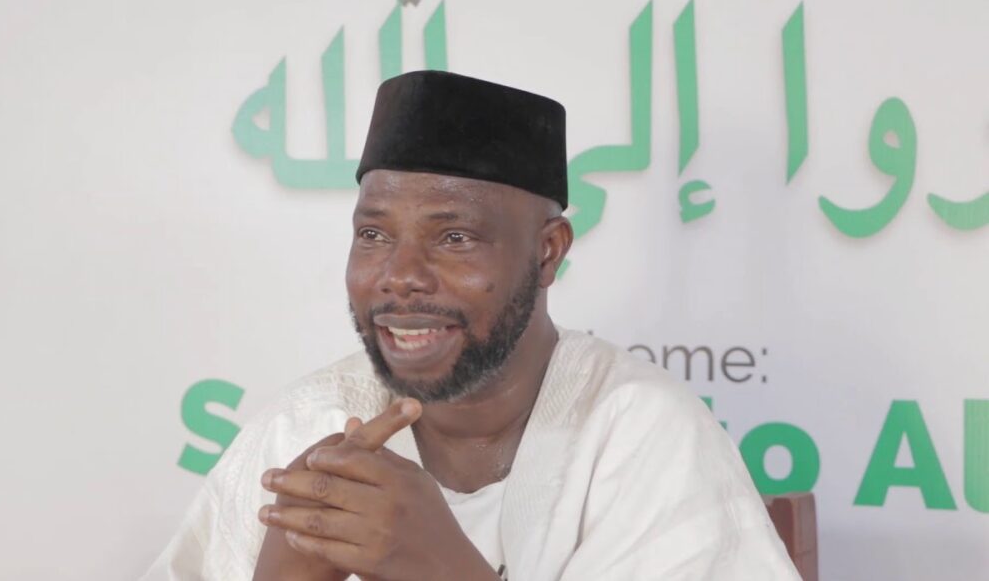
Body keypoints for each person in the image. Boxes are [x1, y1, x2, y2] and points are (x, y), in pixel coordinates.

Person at [143, 71, 800, 580]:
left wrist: (442, 565)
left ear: (547, 252)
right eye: (373, 234)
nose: (401, 275)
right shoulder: (304, 428)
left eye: (454, 237)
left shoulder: (637, 433)